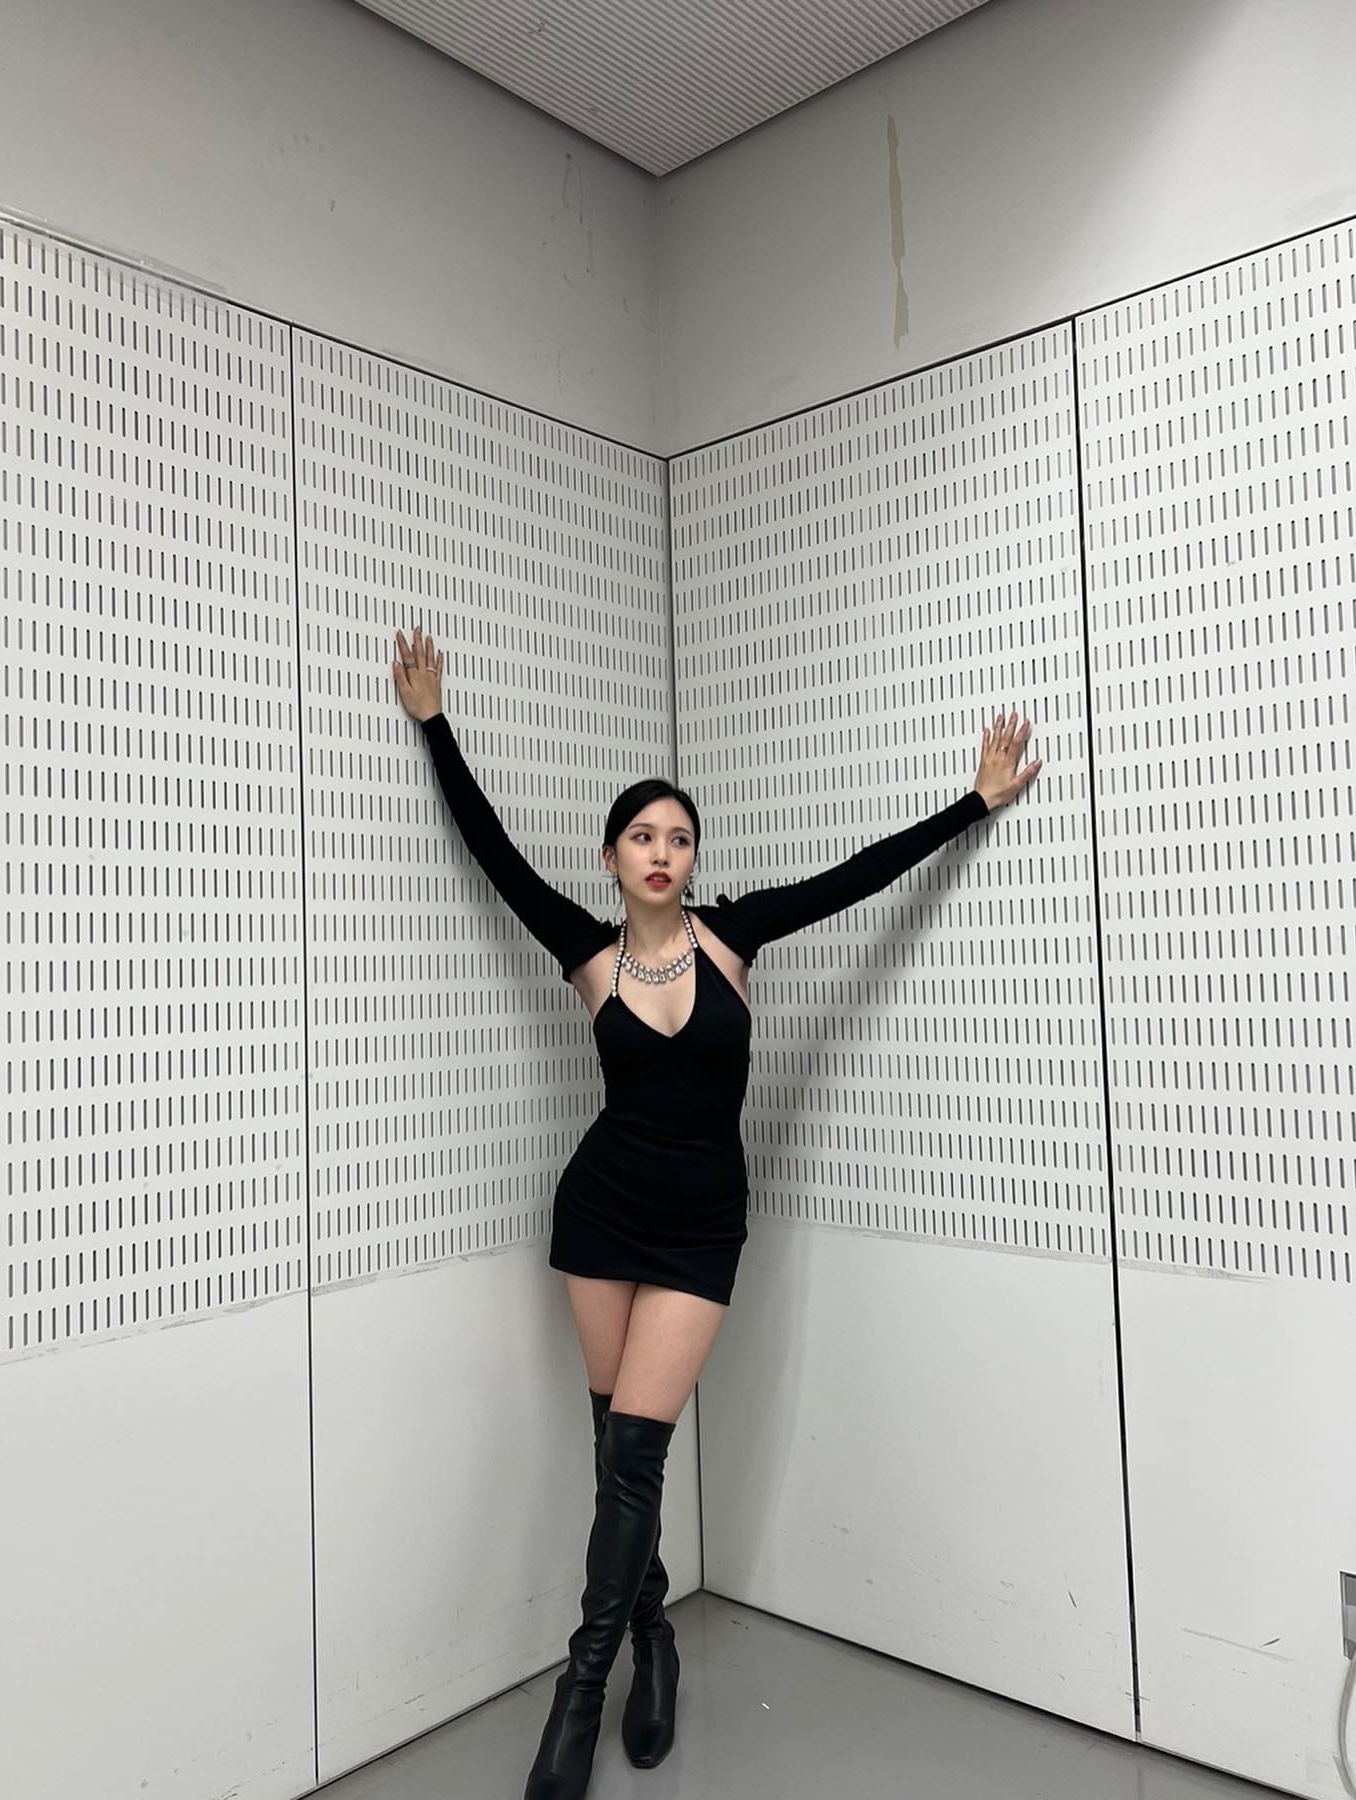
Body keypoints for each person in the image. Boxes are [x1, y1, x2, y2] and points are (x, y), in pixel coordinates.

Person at [391, 625, 1040, 1800]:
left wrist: (973, 804)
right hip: (599, 1219)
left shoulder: (735, 939)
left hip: (699, 1234)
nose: (663, 851)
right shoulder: (587, 955)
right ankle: (653, 1645)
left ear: (695, 859)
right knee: (617, 1459)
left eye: (679, 837)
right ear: (609, 856)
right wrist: (437, 727)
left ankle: (579, 1692)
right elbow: (491, 852)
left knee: (636, 1454)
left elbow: (857, 876)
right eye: (642, 835)